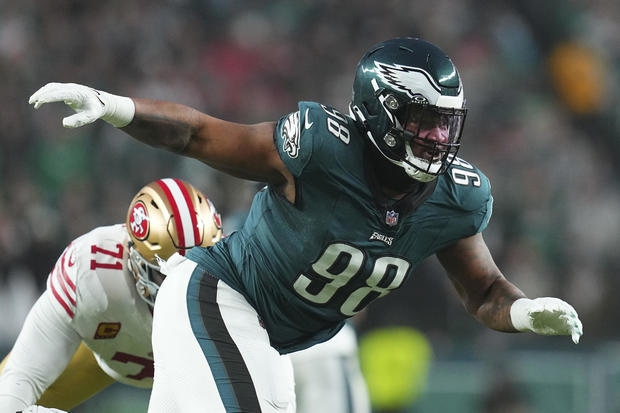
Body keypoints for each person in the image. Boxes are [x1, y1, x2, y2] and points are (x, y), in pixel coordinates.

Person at [28, 37, 583, 413]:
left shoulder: (457, 197)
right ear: (378, 111)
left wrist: (524, 310)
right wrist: (116, 106)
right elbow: (198, 134)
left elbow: (483, 290)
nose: (436, 137)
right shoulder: (319, 148)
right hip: (216, 295)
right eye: (420, 119)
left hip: (274, 337)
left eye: (445, 122)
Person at [0, 178, 224, 412]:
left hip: (191, 378)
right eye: (168, 273)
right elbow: (16, 386)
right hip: (106, 354)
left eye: (197, 270)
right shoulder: (91, 270)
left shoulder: (238, 285)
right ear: (137, 260)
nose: (185, 285)